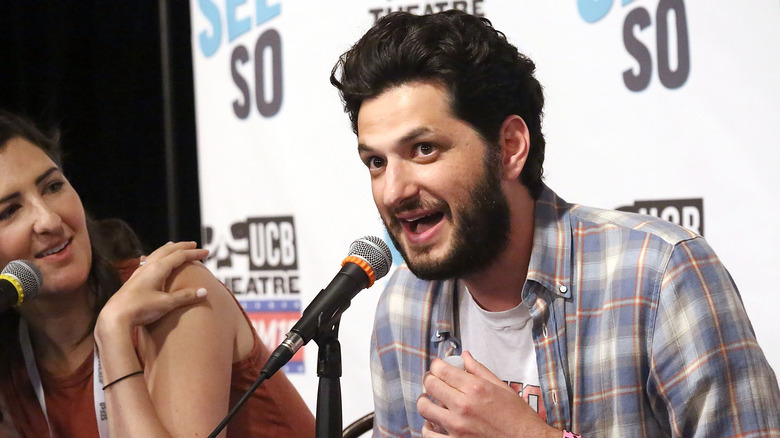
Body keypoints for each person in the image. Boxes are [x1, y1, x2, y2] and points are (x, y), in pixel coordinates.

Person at [330, 10, 780, 438]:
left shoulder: (659, 276)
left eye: (424, 149)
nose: (392, 191)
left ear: (509, 147)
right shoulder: (403, 303)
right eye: (375, 161)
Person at [0, 110, 315, 437]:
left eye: (52, 186)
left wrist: (113, 335)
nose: (49, 219)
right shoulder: (11, 355)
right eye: (10, 211)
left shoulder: (172, 292)